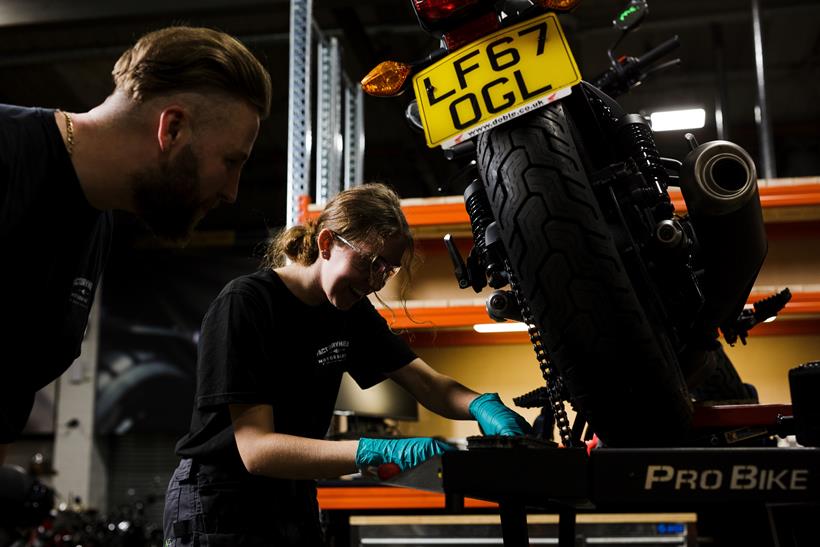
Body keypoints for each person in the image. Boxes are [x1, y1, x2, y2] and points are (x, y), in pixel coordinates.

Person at [163, 183, 530, 546]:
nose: (374, 282)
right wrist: (376, 450)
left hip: (292, 492)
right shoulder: (247, 305)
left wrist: (483, 406)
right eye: (370, 263)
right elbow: (258, 450)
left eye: (387, 270)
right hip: (220, 498)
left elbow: (429, 385)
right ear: (326, 243)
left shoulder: (350, 312)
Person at [0, 26, 272, 463]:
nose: (232, 192)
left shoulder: (97, 225)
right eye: (230, 162)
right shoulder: (7, 150)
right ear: (174, 128)